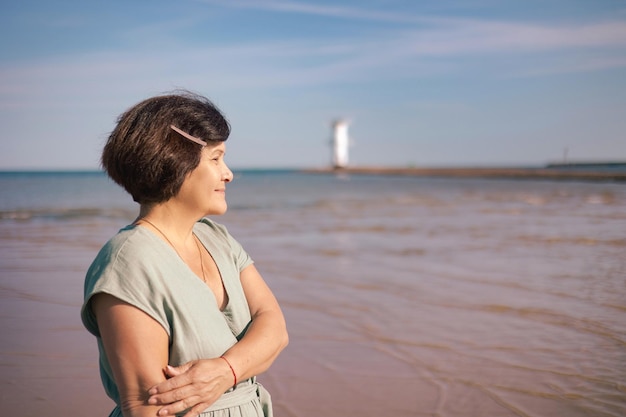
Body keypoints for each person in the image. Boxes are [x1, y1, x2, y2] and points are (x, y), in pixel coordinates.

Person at [81, 91, 289, 417]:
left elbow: (275, 328)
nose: (228, 173)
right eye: (216, 158)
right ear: (176, 161)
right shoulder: (129, 263)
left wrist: (226, 371)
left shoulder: (216, 238)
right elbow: (146, 407)